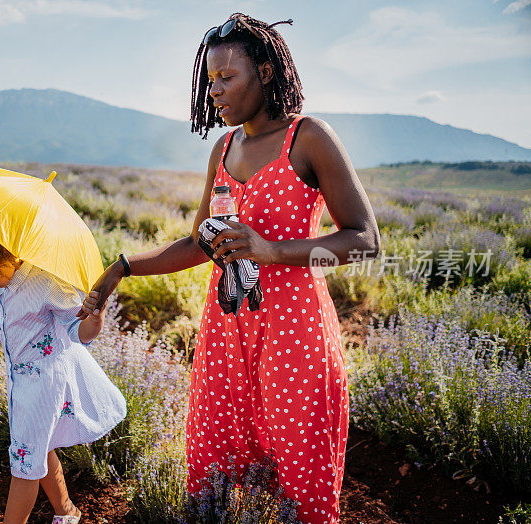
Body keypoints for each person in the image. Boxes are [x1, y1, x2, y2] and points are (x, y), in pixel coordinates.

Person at [78, 12, 380, 523]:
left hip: (293, 327)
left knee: (299, 468)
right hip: (226, 328)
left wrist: (272, 250)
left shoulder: (308, 138)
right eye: (209, 79)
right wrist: (122, 267)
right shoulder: (223, 147)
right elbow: (200, 243)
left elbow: (366, 239)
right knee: (214, 464)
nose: (214, 91)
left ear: (265, 71)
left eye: (227, 77)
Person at [0, 215, 127, 524]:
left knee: (24, 464)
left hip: (44, 385)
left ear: (1, 254)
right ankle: (67, 513)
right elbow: (2, 311)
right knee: (40, 447)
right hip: (21, 382)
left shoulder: (45, 283)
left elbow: (78, 331)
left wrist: (95, 319)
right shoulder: (0, 281)